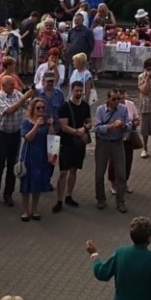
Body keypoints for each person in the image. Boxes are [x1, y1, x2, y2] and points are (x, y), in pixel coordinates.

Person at [0, 75, 30, 209]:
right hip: (1, 134)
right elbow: (9, 111)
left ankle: (8, 194)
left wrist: (31, 97)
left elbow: (28, 106)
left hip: (15, 133)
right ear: (3, 85)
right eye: (11, 84)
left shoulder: (17, 94)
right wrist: (24, 97)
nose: (14, 86)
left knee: (13, 165)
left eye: (14, 84)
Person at [54, 80, 91, 213]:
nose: (79, 93)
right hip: (67, 143)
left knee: (74, 170)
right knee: (63, 172)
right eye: (77, 90)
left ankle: (69, 195)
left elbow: (89, 122)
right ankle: (59, 200)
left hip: (78, 143)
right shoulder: (65, 106)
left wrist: (84, 128)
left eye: (81, 91)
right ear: (72, 90)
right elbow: (63, 126)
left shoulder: (85, 106)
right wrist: (78, 132)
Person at [94, 87, 132, 213]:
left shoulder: (123, 109)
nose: (117, 101)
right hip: (103, 143)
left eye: (118, 99)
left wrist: (124, 126)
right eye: (114, 99)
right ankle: (100, 199)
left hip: (117, 143)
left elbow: (130, 125)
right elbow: (97, 128)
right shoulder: (100, 110)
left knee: (121, 174)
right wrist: (111, 126)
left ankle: (120, 201)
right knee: (99, 173)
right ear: (108, 99)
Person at [19, 96, 56, 222]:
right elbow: (28, 138)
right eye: (38, 108)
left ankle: (34, 209)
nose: (41, 110)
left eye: (43, 108)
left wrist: (50, 126)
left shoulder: (46, 121)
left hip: (42, 155)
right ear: (33, 109)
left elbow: (52, 137)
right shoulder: (26, 122)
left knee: (38, 182)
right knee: (26, 183)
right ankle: (25, 209)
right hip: (29, 155)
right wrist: (36, 126)